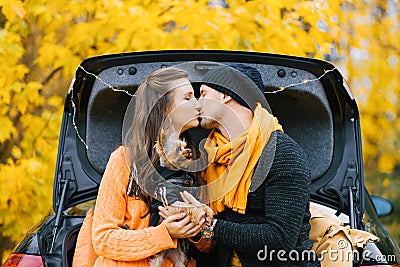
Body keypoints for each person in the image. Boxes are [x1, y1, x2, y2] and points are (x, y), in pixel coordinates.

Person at [185, 63, 319, 266]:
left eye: (203, 93)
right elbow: (216, 246)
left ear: (225, 95)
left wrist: (210, 225)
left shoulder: (281, 153)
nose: (197, 103)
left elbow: (280, 239)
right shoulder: (212, 156)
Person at [72, 67, 207, 267]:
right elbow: (103, 238)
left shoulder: (194, 161)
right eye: (188, 98)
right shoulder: (123, 160)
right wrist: (165, 234)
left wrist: (196, 229)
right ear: (163, 107)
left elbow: (208, 246)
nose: (197, 104)